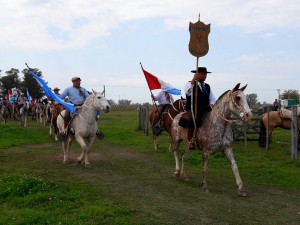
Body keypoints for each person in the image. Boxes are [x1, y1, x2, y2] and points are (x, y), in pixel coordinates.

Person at [185, 67, 216, 150]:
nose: (205, 76)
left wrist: (212, 104)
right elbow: (188, 92)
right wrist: (193, 80)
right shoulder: (190, 83)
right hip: (193, 108)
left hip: (205, 108)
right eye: (204, 74)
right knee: (191, 118)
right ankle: (191, 140)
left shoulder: (207, 86)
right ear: (198, 75)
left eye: (206, 74)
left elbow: (212, 98)